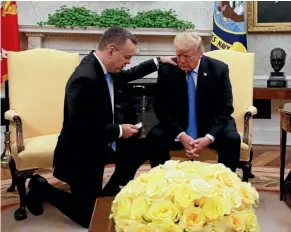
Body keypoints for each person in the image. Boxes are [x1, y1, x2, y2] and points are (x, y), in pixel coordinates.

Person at [25, 26, 176, 228]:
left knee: (148, 145)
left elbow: (129, 74)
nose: (128, 62)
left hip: (104, 145)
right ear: (111, 51)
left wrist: (157, 61)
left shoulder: (107, 69)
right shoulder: (84, 79)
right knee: (89, 217)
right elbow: (83, 129)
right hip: (82, 153)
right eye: (127, 57)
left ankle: (113, 194)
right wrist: (120, 130)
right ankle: (40, 187)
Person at [146, 31, 241, 172]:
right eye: (178, 55)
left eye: (186, 56)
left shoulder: (218, 69)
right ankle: (164, 182)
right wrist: (181, 135)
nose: (181, 60)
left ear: (200, 53)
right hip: (179, 126)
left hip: (211, 124)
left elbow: (226, 108)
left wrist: (209, 137)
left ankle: (225, 185)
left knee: (232, 139)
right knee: (154, 137)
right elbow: (161, 107)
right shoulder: (167, 69)